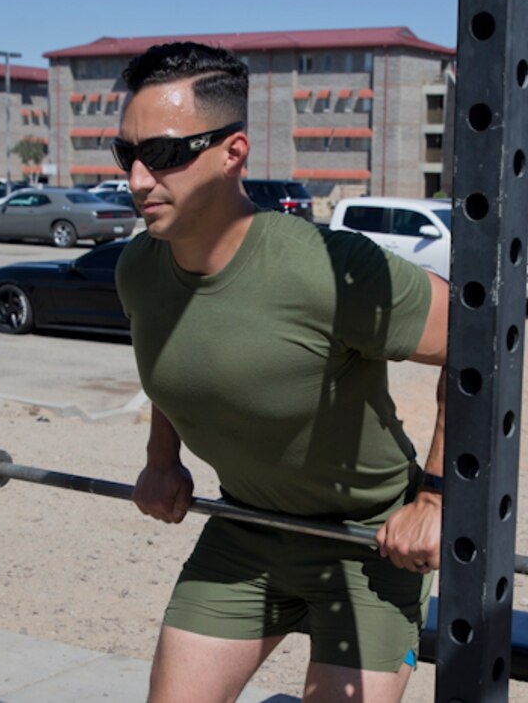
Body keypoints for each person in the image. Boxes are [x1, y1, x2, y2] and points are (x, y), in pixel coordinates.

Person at [112, 42, 449, 702]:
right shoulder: (139, 271)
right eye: (128, 154)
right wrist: (161, 455)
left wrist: (436, 498)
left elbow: (478, 344)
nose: (138, 180)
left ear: (234, 152)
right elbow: (175, 360)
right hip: (246, 530)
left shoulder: (329, 267)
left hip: (372, 544)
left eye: (167, 154)